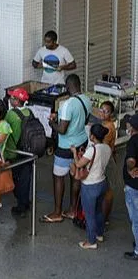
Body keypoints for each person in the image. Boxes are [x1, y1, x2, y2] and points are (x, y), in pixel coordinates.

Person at [44, 74, 91, 223]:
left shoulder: (67, 104)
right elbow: (84, 119)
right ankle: (72, 210)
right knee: (75, 174)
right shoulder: (86, 100)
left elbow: (62, 129)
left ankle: (57, 212)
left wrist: (52, 123)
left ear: (67, 87)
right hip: (81, 142)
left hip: (65, 146)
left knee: (58, 177)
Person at [74, 123, 111, 250]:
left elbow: (79, 164)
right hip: (102, 182)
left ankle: (91, 241)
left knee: (89, 215)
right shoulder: (107, 148)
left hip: (90, 185)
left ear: (92, 136)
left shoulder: (92, 150)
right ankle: (99, 234)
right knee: (98, 211)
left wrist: (74, 152)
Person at [4, 89, 32, 216]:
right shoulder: (29, 112)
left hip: (14, 151)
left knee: (15, 178)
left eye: (12, 97)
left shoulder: (11, 114)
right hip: (28, 151)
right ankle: (25, 202)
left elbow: (4, 129)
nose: (10, 99)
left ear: (16, 101)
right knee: (25, 178)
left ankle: (21, 205)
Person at [123, 115, 138, 260]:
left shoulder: (133, 142)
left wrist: (129, 169)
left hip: (134, 186)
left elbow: (131, 160)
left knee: (136, 219)